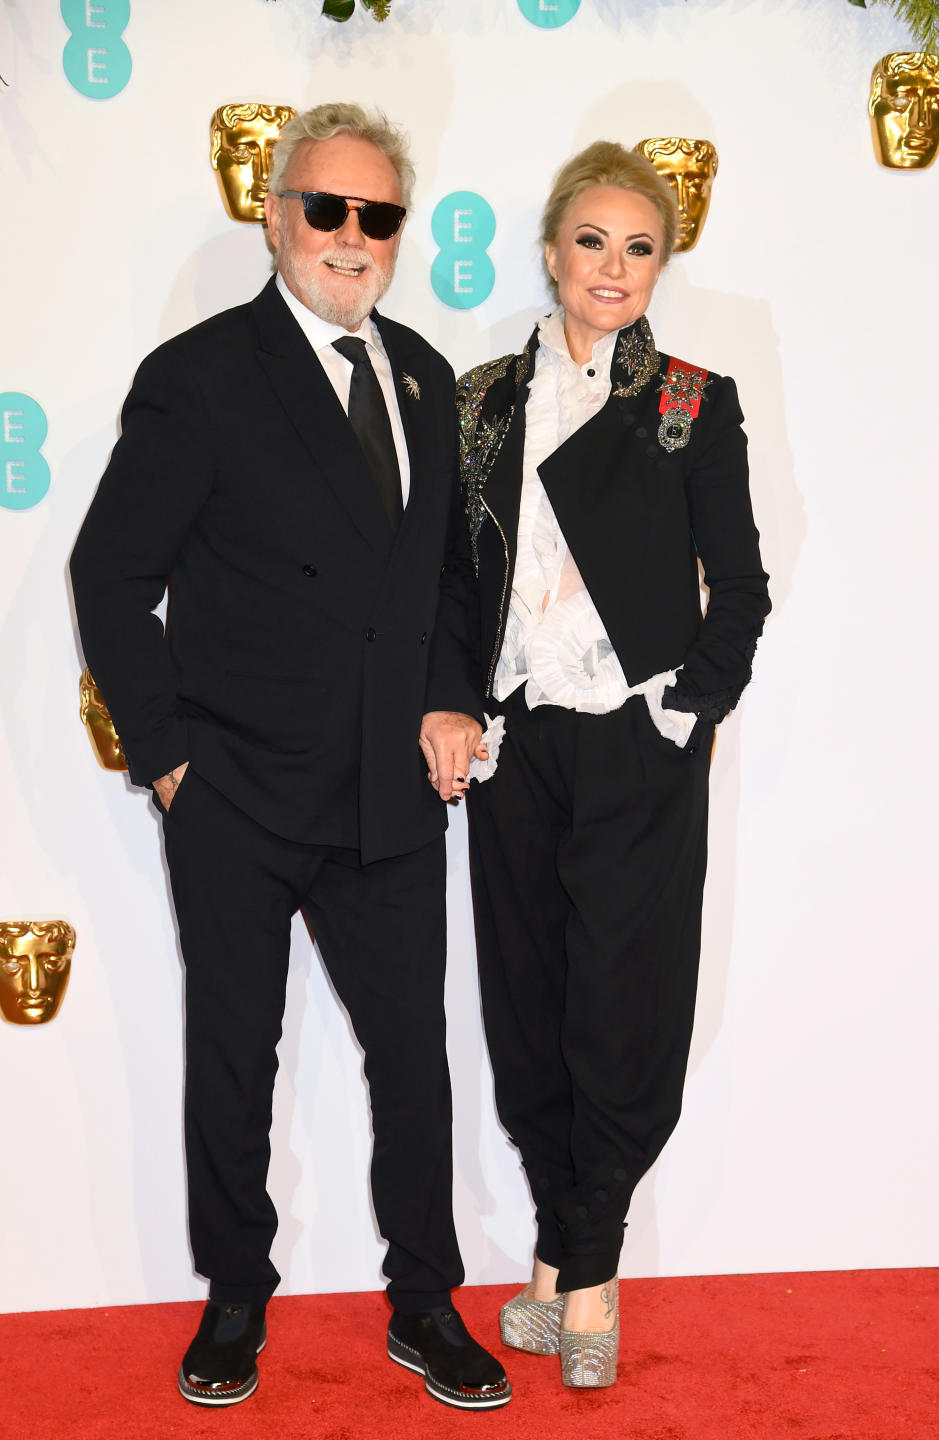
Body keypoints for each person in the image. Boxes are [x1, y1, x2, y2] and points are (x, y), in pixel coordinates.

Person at [70, 102, 509, 1412]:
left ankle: (426, 1304)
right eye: (328, 208)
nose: (353, 238)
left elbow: (450, 577)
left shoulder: (427, 378)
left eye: (379, 216)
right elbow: (110, 571)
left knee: (415, 1062)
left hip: (389, 791)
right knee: (231, 1054)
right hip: (240, 793)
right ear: (273, 215)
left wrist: (452, 700)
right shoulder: (201, 375)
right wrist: (166, 756)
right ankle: (233, 1303)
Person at [456, 140, 770, 1388]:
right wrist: (456, 708)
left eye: (641, 247)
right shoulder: (478, 397)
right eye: (593, 241)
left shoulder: (693, 397)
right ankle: (555, 1251)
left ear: (661, 266)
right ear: (550, 251)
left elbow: (740, 589)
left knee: (624, 1016)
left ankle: (588, 1275)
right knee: (528, 1004)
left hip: (635, 742)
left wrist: (680, 712)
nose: (614, 267)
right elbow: (448, 583)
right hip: (515, 741)